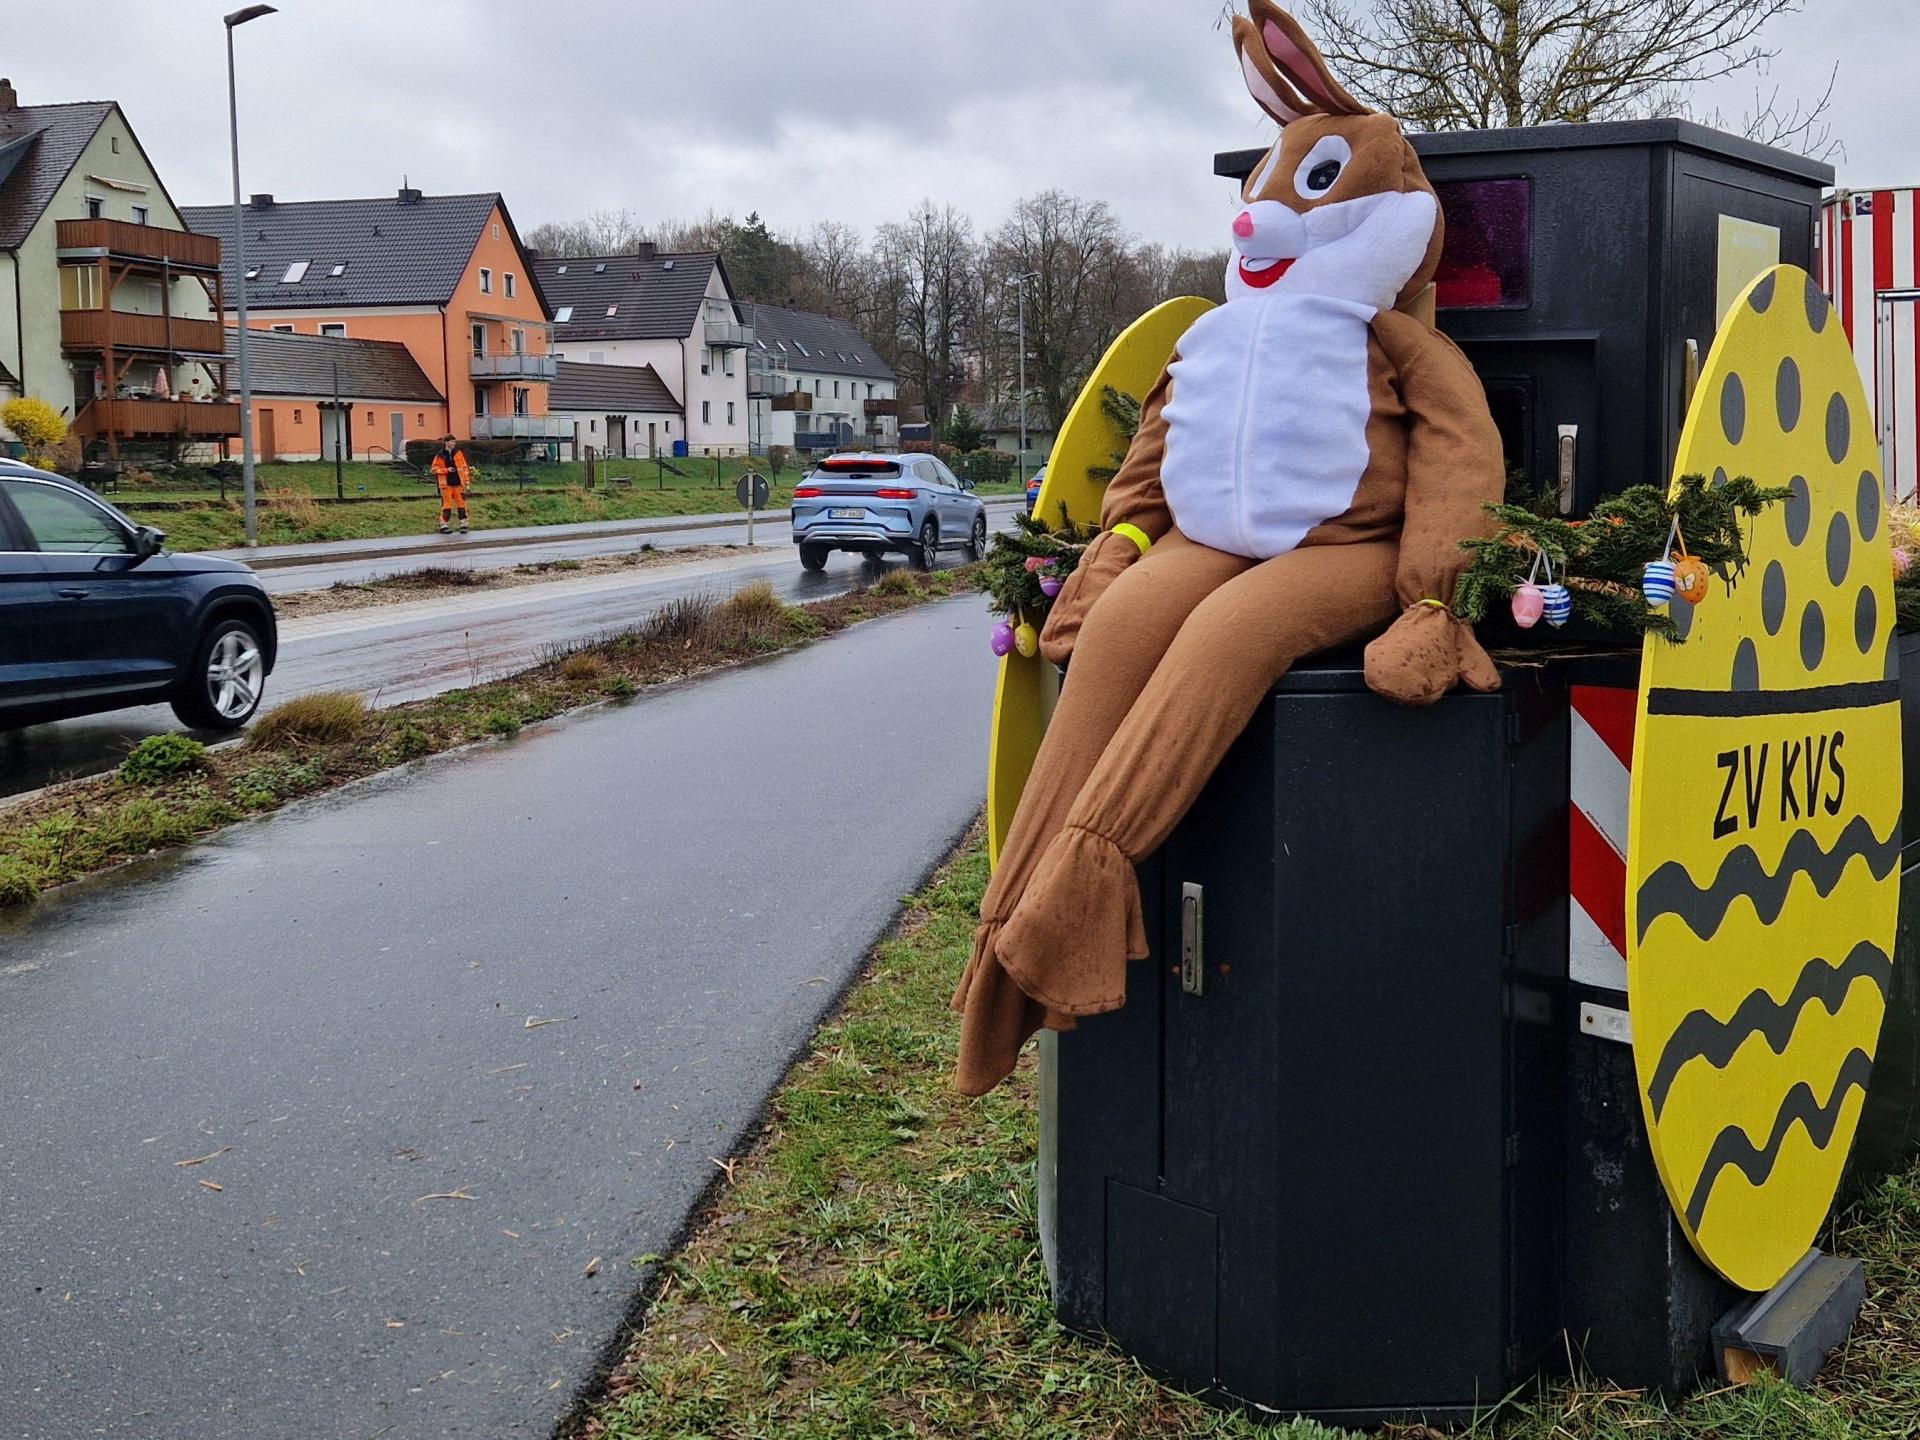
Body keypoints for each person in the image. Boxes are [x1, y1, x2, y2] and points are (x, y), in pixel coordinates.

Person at [430, 434, 472, 534]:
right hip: (446, 485)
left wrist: (467, 482)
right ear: (446, 442)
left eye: (454, 441)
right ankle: (443, 525)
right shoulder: (440, 455)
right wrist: (446, 470)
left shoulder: (458, 453)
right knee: (447, 505)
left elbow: (464, 468)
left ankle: (463, 524)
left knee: (461, 504)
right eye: (452, 441)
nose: (454, 443)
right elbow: (434, 469)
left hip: (458, 483)